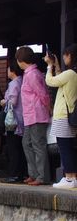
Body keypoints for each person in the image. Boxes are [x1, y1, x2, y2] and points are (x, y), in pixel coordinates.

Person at [16, 46, 51, 185]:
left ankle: (42, 176)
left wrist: (49, 108)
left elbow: (43, 94)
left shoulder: (33, 74)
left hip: (37, 114)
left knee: (38, 145)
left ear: (20, 60)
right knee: (27, 143)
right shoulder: (29, 73)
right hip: (31, 115)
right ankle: (34, 174)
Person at [44, 44, 77, 189]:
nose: (64, 57)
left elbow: (51, 81)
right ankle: (71, 177)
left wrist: (48, 66)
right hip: (67, 115)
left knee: (64, 147)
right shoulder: (72, 74)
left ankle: (69, 177)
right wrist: (56, 66)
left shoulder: (71, 74)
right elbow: (60, 81)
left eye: (65, 55)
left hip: (63, 115)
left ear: (70, 55)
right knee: (68, 146)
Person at [0, 59, 27, 183]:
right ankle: (22, 173)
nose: (7, 71)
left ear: (12, 70)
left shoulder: (14, 83)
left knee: (13, 148)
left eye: (8, 69)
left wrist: (4, 102)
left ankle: (14, 174)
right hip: (22, 119)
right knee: (20, 148)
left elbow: (13, 101)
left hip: (13, 121)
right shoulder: (22, 81)